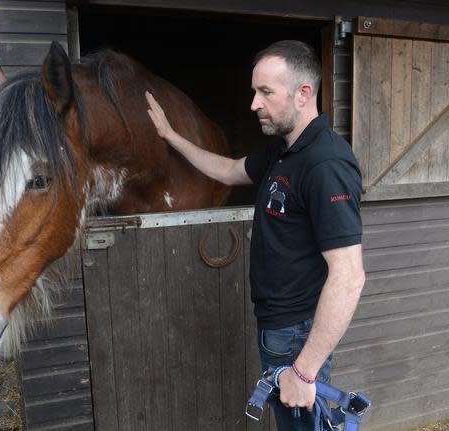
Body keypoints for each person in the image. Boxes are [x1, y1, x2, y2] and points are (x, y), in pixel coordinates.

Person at [145, 40, 366, 431]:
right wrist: (170, 136)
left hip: (298, 334)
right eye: (254, 92)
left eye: (265, 92)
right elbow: (229, 170)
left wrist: (305, 371)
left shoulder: (325, 164)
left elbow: (349, 276)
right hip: (278, 326)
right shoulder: (284, 153)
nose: (253, 104)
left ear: (303, 94)